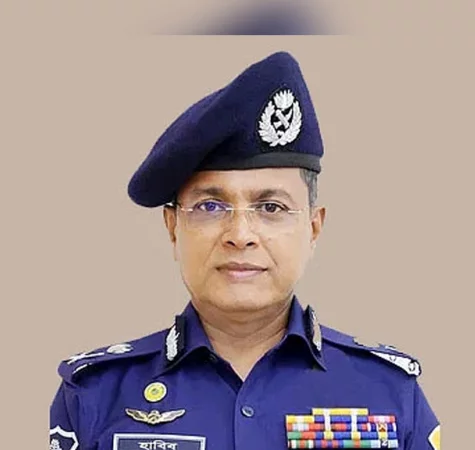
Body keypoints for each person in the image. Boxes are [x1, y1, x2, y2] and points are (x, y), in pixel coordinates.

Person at [49, 51, 441, 450]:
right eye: (210, 206)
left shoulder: (390, 393)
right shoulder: (95, 395)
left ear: (313, 227)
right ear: (172, 227)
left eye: (271, 207)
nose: (240, 235)